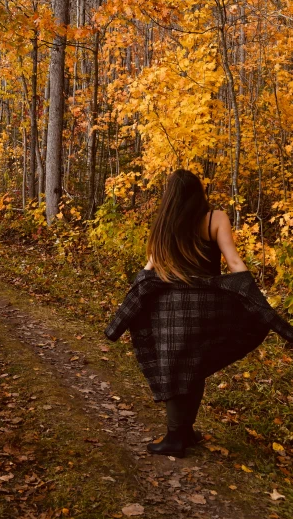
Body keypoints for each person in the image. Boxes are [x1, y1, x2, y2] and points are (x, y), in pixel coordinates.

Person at [105, 169, 293, 459]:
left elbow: (149, 267)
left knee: (177, 368)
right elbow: (233, 261)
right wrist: (254, 299)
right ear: (199, 192)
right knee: (194, 366)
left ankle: (174, 438)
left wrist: (132, 302)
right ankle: (185, 432)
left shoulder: (163, 223)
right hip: (207, 308)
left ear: (170, 195)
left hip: (169, 309)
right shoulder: (216, 218)